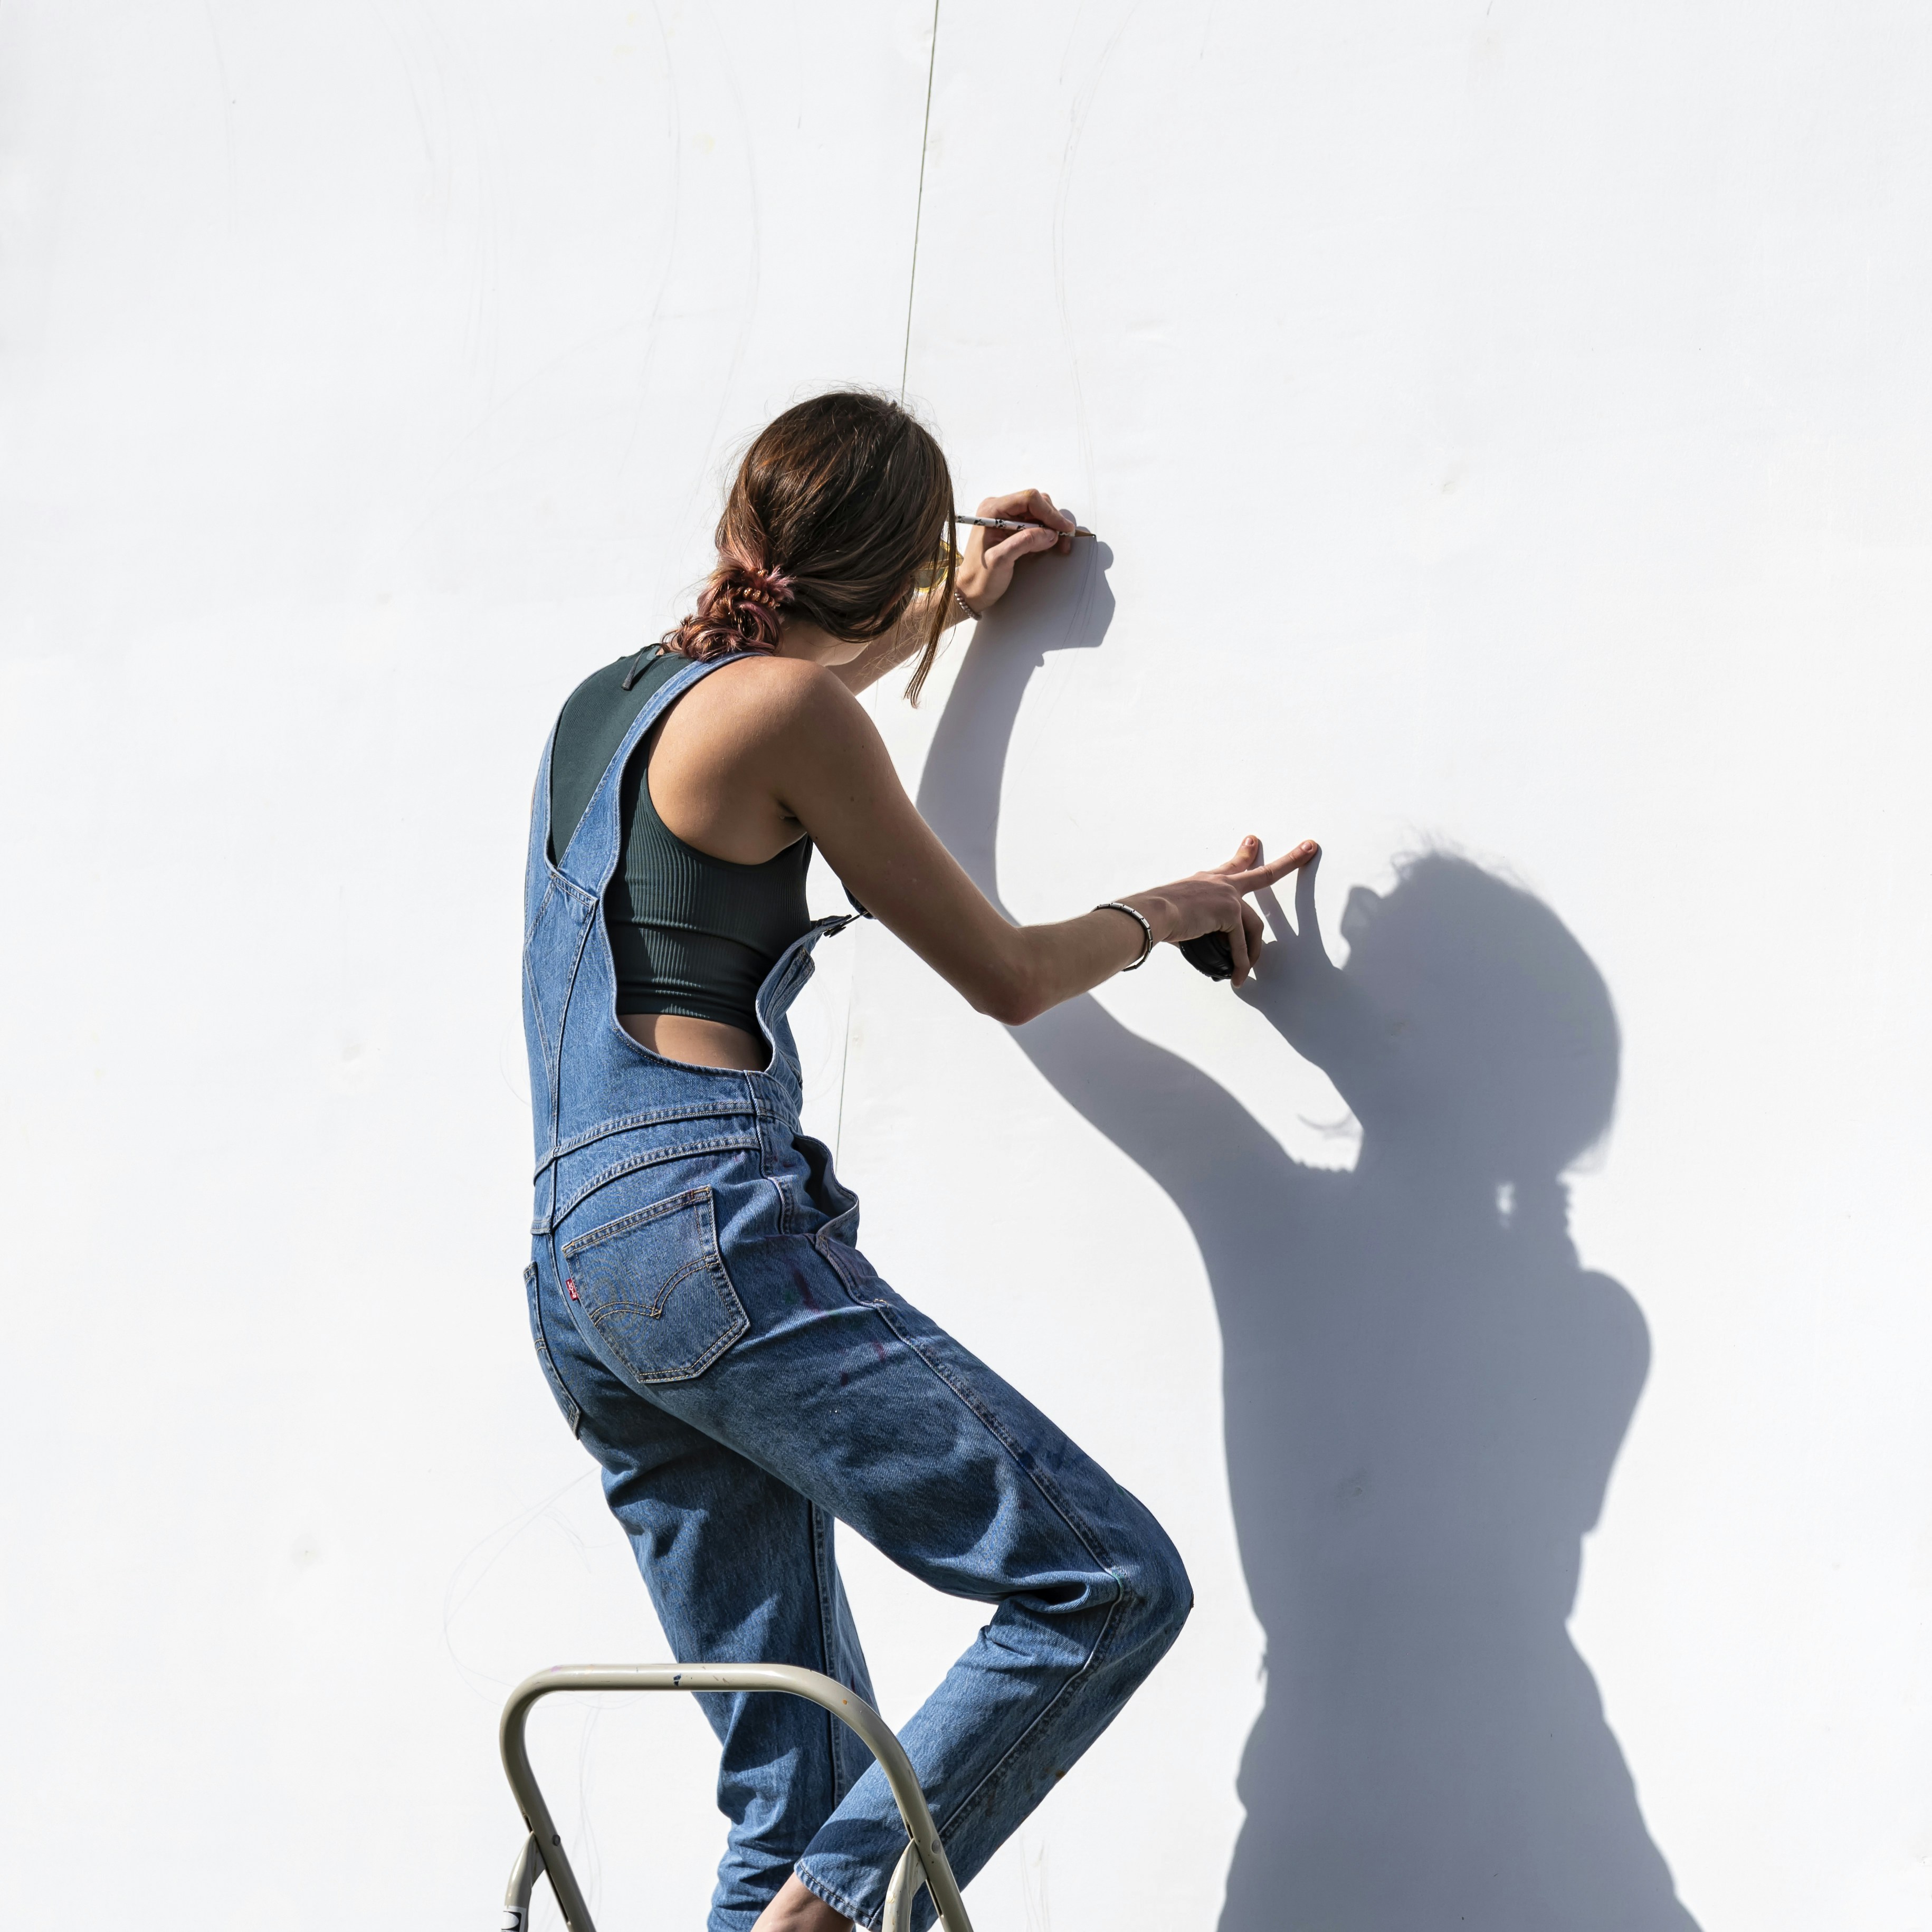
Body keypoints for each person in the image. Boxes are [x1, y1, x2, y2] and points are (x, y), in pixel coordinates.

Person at [519, 388, 1318, 1932]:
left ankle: (806, 1891)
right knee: (1103, 1588)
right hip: (709, 1228)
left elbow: (794, 701)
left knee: (794, 1788)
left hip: (580, 1272)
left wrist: (948, 596)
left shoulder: (612, 705)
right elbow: (1008, 972)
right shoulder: (796, 719)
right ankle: (833, 1918)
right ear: (883, 566)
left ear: (742, 524)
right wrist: (1171, 909)